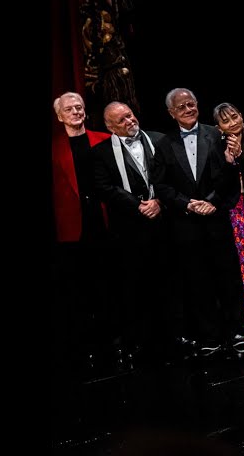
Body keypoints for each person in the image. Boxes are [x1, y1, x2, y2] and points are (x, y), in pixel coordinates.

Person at [153, 88, 243, 355]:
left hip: (215, 217)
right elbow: (160, 184)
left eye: (191, 104)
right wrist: (188, 203)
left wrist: (211, 201)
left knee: (227, 276)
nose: (189, 109)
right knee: (197, 279)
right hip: (186, 223)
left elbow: (227, 177)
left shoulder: (216, 135)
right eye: (182, 107)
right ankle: (210, 336)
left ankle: (237, 331)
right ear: (171, 113)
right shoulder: (164, 144)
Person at [88, 101, 171, 358]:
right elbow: (104, 188)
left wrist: (159, 202)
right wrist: (139, 206)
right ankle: (140, 340)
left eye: (130, 115)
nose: (129, 121)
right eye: (122, 120)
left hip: (164, 220)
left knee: (169, 279)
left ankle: (173, 335)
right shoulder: (101, 152)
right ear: (110, 127)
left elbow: (172, 176)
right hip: (129, 228)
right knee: (135, 283)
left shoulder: (159, 140)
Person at [52, 92, 113, 360]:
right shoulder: (54, 148)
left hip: (104, 221)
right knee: (79, 287)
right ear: (59, 116)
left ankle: (114, 340)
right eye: (69, 109)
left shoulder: (105, 140)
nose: (76, 111)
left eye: (79, 107)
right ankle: (87, 345)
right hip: (72, 227)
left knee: (108, 282)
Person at [213, 102, 244, 348]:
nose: (232, 123)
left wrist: (242, 157)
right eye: (226, 121)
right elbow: (219, 185)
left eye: (234, 116)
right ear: (218, 127)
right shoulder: (217, 147)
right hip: (236, 212)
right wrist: (229, 161)